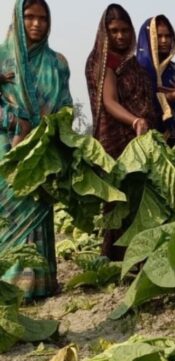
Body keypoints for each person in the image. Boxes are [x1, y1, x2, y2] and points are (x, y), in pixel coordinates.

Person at [0, 0, 72, 300]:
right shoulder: (3, 60)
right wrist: (12, 120)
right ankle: (7, 283)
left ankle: (38, 284)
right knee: (8, 214)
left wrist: (45, 126)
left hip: (40, 151)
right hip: (6, 149)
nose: (36, 23)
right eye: (29, 16)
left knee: (38, 211)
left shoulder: (57, 63)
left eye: (42, 18)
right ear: (18, 17)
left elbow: (66, 107)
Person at [85, 3, 158, 260]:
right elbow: (109, 102)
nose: (120, 36)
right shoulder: (102, 61)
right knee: (119, 201)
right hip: (116, 141)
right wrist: (136, 121)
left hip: (138, 140)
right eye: (114, 30)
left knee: (140, 199)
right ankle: (118, 258)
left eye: (125, 30)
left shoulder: (134, 63)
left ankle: (139, 257)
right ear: (105, 32)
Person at [136, 14, 175, 146]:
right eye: (159, 36)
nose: (164, 41)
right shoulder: (137, 69)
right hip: (148, 141)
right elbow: (140, 103)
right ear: (148, 38)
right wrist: (174, 96)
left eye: (168, 36)